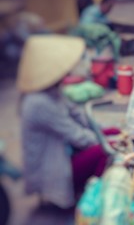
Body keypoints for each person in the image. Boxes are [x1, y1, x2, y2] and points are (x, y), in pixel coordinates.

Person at [17, 35, 108, 209]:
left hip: (67, 151)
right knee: (103, 151)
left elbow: (78, 114)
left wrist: (105, 132)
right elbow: (76, 135)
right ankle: (91, 198)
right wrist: (108, 144)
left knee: (109, 134)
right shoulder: (38, 102)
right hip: (56, 165)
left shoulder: (53, 90)